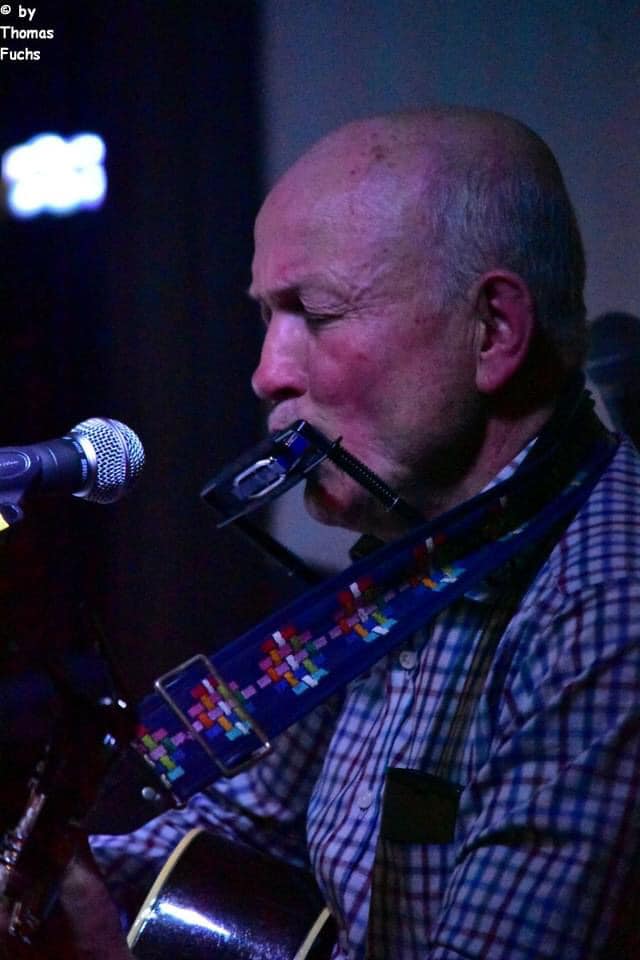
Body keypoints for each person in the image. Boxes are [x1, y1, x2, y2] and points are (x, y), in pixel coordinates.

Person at [3, 106, 640, 959]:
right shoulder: (412, 562)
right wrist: (47, 882)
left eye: (317, 313)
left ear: (492, 330)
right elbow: (237, 820)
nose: (267, 373)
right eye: (267, 316)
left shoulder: (603, 613)